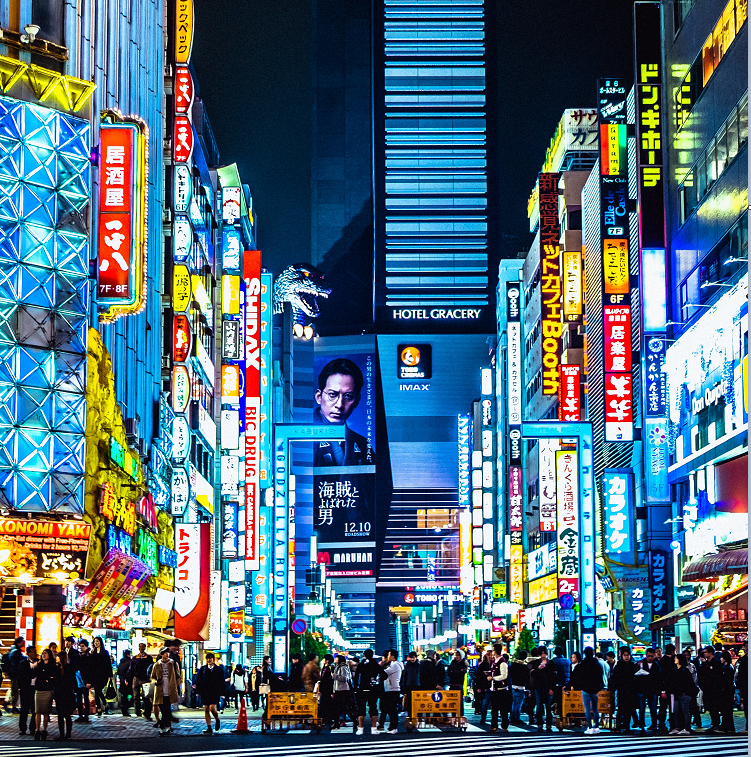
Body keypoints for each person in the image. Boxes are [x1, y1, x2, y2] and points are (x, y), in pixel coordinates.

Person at [314, 359, 374, 466]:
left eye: (348, 396)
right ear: (319, 397)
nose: (340, 405)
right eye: (332, 394)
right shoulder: (302, 437)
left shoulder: (363, 444)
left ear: (357, 401)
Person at [570, 647, 603, 735]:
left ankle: (590, 727)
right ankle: (596, 726)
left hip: (585, 688)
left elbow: (577, 676)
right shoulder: (597, 663)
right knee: (595, 708)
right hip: (595, 689)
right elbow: (600, 675)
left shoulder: (582, 664)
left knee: (587, 709)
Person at [149, 647, 181, 735]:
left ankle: (163, 726)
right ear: (161, 654)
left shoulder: (173, 664)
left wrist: (176, 684)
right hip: (160, 690)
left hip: (170, 690)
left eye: (168, 652)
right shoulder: (157, 664)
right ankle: (167, 726)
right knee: (163, 709)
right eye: (165, 653)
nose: (167, 654)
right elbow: (152, 677)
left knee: (167, 709)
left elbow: (179, 676)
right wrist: (156, 681)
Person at [353, 648, 384, 735]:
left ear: (364, 655)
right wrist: (378, 680)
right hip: (372, 688)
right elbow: (384, 674)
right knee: (373, 708)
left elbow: (356, 678)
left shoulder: (361, 665)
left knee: (361, 709)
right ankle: (373, 728)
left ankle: (360, 729)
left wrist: (355, 688)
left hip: (362, 689)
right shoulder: (375, 664)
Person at [194, 652, 226, 733]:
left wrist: (222, 693)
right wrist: (197, 691)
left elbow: (222, 681)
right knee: (206, 709)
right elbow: (199, 680)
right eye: (207, 658)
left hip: (215, 691)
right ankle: (209, 727)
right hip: (205, 691)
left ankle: (217, 719)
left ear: (213, 659)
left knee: (212, 708)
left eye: (210, 658)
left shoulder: (219, 669)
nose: (209, 660)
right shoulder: (203, 669)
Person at [32, 647, 58, 741]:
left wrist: (48, 678)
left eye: (46, 653)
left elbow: (53, 677)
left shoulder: (52, 665)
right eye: (43, 653)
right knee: (37, 711)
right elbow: (34, 674)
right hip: (39, 689)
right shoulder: (39, 664)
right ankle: (37, 730)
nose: (44, 655)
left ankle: (44, 730)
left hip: (48, 690)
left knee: (46, 711)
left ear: (49, 655)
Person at [609, 646, 637, 733]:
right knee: (621, 709)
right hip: (622, 690)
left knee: (629, 709)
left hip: (631, 690)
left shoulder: (633, 665)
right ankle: (618, 727)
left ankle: (626, 726)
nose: (626, 657)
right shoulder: (619, 665)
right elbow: (614, 678)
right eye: (625, 655)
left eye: (628, 655)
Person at [634, 647, 662, 733]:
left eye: (652, 656)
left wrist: (659, 690)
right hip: (642, 689)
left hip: (652, 690)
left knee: (653, 708)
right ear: (646, 655)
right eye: (649, 656)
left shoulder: (656, 665)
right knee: (642, 708)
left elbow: (659, 678)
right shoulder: (640, 663)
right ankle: (642, 725)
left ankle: (654, 724)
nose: (650, 658)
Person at [375, 648, 402, 734]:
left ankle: (393, 727)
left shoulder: (395, 665)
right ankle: (392, 727)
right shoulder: (395, 664)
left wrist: (379, 666)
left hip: (393, 689)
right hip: (391, 688)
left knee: (392, 709)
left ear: (393, 656)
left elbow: (385, 672)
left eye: (389, 655)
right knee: (390, 708)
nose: (388, 656)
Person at [670, 653, 698, 735]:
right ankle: (677, 727)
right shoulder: (676, 670)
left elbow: (688, 683)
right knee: (676, 711)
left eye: (676, 658)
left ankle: (686, 728)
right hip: (677, 693)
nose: (675, 659)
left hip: (684, 693)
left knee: (685, 711)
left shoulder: (685, 671)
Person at [529, 646, 555, 732]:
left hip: (548, 687)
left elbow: (554, 677)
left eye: (544, 653)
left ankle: (548, 725)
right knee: (539, 705)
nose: (543, 655)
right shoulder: (536, 663)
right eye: (541, 653)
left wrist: (552, 688)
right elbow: (533, 675)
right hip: (538, 686)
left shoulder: (551, 663)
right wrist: (539, 669)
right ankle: (539, 725)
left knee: (548, 706)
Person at [698, 645, 723, 733]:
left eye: (705, 652)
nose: (704, 654)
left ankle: (716, 723)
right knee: (709, 706)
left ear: (710, 652)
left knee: (715, 706)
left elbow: (718, 677)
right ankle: (713, 723)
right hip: (706, 689)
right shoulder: (705, 664)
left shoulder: (716, 663)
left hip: (714, 689)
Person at [487, 643, 510, 733]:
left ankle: (504, 725)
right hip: (494, 688)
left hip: (501, 689)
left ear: (495, 651)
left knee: (503, 708)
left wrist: (493, 678)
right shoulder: (495, 662)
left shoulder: (502, 662)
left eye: (493, 650)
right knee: (494, 708)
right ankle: (494, 725)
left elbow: (504, 675)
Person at [54, 650, 77, 741]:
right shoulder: (69, 668)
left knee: (61, 715)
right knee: (66, 715)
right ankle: (68, 735)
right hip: (67, 694)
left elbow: (56, 681)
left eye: (58, 657)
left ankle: (62, 735)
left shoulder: (60, 669)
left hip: (61, 694)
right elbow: (73, 682)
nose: (56, 659)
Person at [129, 642, 153, 719]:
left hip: (145, 679)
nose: (141, 648)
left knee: (145, 696)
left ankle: (147, 711)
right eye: (140, 647)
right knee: (136, 696)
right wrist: (128, 678)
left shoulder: (148, 658)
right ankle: (137, 712)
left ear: (145, 647)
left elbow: (151, 668)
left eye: (143, 647)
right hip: (136, 678)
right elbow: (131, 668)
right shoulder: (135, 658)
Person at [90, 637, 113, 716]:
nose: (96, 643)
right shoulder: (93, 653)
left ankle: (104, 706)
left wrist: (110, 675)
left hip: (103, 675)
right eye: (95, 641)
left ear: (100, 642)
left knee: (99, 690)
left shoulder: (105, 652)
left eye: (97, 641)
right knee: (97, 691)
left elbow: (108, 664)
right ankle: (100, 708)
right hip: (95, 675)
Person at [18, 644, 37, 737]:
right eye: (33, 651)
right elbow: (21, 677)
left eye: (35, 651)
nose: (35, 653)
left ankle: (33, 728)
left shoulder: (38, 663)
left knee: (34, 710)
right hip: (25, 689)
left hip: (35, 688)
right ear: (28, 653)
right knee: (24, 709)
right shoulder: (23, 663)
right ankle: (22, 728)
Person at [331, 654, 353, 729]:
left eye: (336, 658)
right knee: (337, 707)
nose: (335, 659)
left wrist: (334, 675)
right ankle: (336, 723)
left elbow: (344, 678)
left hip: (343, 690)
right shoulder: (337, 667)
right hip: (338, 689)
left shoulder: (343, 667)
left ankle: (354, 721)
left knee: (342, 707)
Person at [717, 650, 736, 734]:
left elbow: (727, 680)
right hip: (727, 691)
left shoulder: (728, 668)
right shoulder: (726, 667)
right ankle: (726, 726)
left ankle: (728, 726)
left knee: (727, 710)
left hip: (727, 691)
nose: (720, 659)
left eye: (722, 657)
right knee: (725, 710)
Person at [5, 636, 25, 712]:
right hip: (14, 674)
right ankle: (13, 706)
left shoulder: (13, 650)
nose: (23, 643)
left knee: (14, 689)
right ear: (18, 643)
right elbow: (15, 663)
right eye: (22, 642)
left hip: (13, 673)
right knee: (15, 690)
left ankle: (8, 703)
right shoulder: (16, 652)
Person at [509, 650, 529, 724]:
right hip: (521, 686)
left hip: (513, 685)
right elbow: (526, 677)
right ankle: (516, 718)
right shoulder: (524, 666)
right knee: (518, 703)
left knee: (514, 702)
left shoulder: (513, 664)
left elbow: (511, 674)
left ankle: (512, 716)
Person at [75, 639, 92, 722]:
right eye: (80, 646)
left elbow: (91, 670)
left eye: (82, 646)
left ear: (86, 647)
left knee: (86, 698)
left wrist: (89, 681)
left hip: (85, 680)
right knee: (78, 698)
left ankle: (86, 716)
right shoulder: (78, 656)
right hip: (78, 680)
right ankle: (80, 715)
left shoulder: (89, 656)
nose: (81, 648)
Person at [551, 646, 571, 717]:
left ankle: (561, 715)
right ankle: (566, 714)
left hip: (558, 684)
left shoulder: (553, 661)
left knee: (559, 700)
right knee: (567, 700)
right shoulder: (568, 661)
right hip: (567, 683)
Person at [401, 650, 421, 719]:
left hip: (417, 685)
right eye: (411, 657)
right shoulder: (407, 666)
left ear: (416, 657)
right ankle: (410, 716)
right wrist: (404, 686)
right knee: (409, 702)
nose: (412, 659)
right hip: (409, 685)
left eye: (413, 657)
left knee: (418, 702)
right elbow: (404, 676)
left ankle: (418, 716)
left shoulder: (419, 665)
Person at [447, 649, 468, 715]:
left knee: (460, 702)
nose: (457, 656)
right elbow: (449, 672)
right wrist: (457, 672)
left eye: (458, 655)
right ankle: (453, 716)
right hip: (452, 684)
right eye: (456, 655)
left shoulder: (464, 663)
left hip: (459, 685)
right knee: (452, 702)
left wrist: (454, 672)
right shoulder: (453, 662)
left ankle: (461, 716)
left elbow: (461, 673)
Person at [474, 649, 493, 722]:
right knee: (484, 702)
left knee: (493, 703)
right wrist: (478, 687)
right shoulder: (483, 665)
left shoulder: (494, 664)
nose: (491, 657)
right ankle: (483, 717)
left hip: (493, 686)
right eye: (490, 655)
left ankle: (493, 717)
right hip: (484, 686)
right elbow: (478, 677)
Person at [318, 654, 335, 727]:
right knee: (324, 704)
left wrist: (332, 691)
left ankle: (327, 719)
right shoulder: (323, 668)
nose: (323, 660)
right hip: (323, 689)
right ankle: (324, 719)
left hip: (328, 689)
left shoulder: (331, 668)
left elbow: (332, 680)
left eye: (324, 659)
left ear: (327, 660)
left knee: (327, 704)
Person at [735, 641, 748, 734]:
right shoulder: (742, 660)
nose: (746, 648)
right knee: (747, 707)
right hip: (744, 687)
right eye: (746, 646)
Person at [117, 650, 133, 716]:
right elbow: (130, 672)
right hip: (128, 681)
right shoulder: (130, 662)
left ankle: (124, 709)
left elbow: (118, 672)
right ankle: (126, 708)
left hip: (122, 681)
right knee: (131, 694)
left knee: (124, 696)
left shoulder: (121, 663)